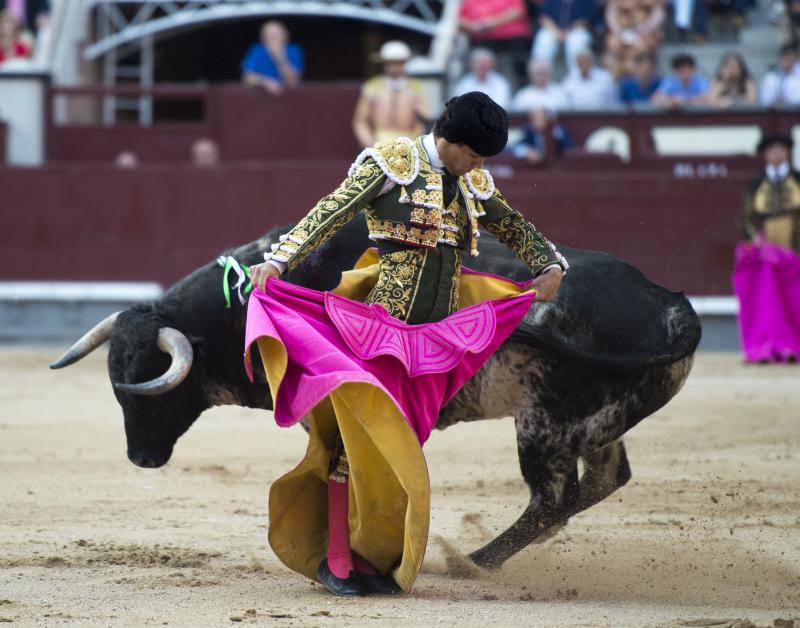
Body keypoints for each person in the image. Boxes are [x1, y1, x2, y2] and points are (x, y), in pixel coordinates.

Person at [245, 92, 567, 597]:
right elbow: (331, 212)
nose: (479, 167)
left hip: (434, 341)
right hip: (378, 332)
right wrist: (278, 261)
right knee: (353, 444)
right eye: (474, 156)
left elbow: (512, 223)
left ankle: (372, 553)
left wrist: (549, 263)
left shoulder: (471, 181)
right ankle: (337, 559)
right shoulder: (394, 163)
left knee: (400, 446)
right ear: (449, 140)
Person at [734, 134, 800, 363]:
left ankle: (794, 346)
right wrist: (758, 244)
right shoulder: (756, 185)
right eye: (771, 149)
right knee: (769, 303)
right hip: (767, 258)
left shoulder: (798, 180)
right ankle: (769, 346)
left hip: (797, 252)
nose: (776, 153)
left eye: (780, 149)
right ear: (765, 154)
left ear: (787, 152)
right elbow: (745, 219)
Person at [352, 40, 428, 149]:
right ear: (384, 64)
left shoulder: (415, 87)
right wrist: (369, 142)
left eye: (399, 63)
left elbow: (424, 119)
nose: (395, 67)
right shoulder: (373, 86)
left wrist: (416, 142)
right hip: (380, 140)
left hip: (408, 140)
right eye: (390, 63)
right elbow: (360, 120)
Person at [458, 0, 533, 84]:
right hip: (484, 37)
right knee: (480, 54)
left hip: (512, 35)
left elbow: (518, 11)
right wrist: (472, 26)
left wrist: (493, 23)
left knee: (519, 51)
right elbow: (458, 18)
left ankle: (523, 83)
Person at [531, 0, 596, 74]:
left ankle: (577, 76)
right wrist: (557, 32)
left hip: (576, 31)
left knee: (576, 41)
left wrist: (568, 32)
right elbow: (543, 17)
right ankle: (541, 76)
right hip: (554, 31)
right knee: (544, 37)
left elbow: (586, 20)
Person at [603, 0, 664, 78]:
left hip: (645, 32)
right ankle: (616, 75)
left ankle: (639, 76)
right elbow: (611, 12)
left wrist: (644, 29)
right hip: (621, 31)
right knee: (613, 43)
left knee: (640, 46)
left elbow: (658, 13)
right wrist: (618, 31)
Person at [241, 20, 303, 95]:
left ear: (285, 36)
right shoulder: (257, 50)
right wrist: (266, 82)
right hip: (260, 97)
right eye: (270, 35)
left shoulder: (293, 50)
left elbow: (293, 81)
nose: (273, 38)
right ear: (263, 38)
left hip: (290, 97)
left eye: (276, 34)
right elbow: (247, 78)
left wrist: (279, 57)